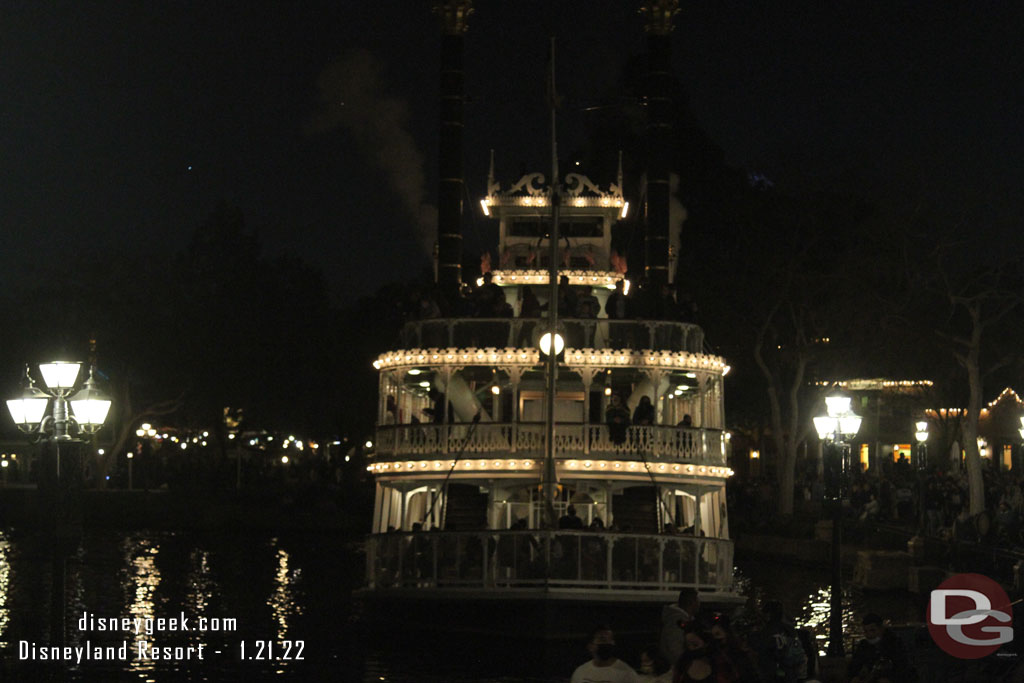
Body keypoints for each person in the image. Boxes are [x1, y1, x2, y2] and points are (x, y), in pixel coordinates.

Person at [848, 613, 913, 683]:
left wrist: (890, 679)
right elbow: (854, 665)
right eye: (866, 631)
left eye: (873, 630)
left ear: (881, 629)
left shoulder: (895, 644)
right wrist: (855, 676)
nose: (869, 635)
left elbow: (903, 668)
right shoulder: (864, 645)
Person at [570, 625, 640, 683]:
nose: (607, 643)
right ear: (590, 646)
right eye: (602, 640)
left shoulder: (627, 674)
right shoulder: (580, 672)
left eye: (610, 640)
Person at [659, 588, 700, 664]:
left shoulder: (681, 620)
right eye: (697, 601)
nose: (699, 604)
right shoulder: (676, 622)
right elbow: (675, 648)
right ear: (691, 602)